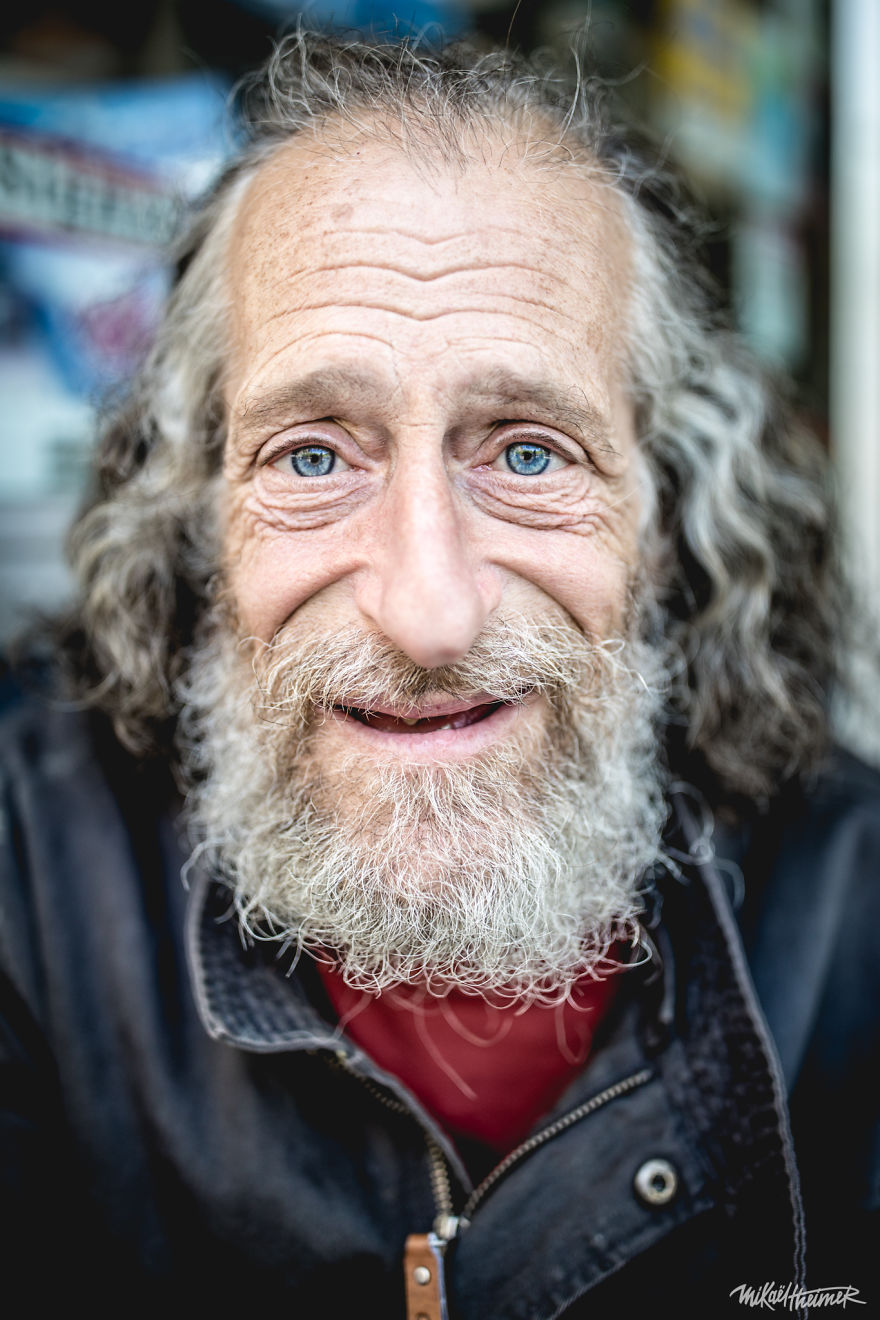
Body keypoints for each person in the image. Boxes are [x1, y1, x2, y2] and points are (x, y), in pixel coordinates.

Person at [1, 30, 877, 1318]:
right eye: (312, 458)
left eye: (528, 455)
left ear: (671, 506)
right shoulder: (24, 880)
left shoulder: (854, 922)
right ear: (194, 519)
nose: (426, 611)